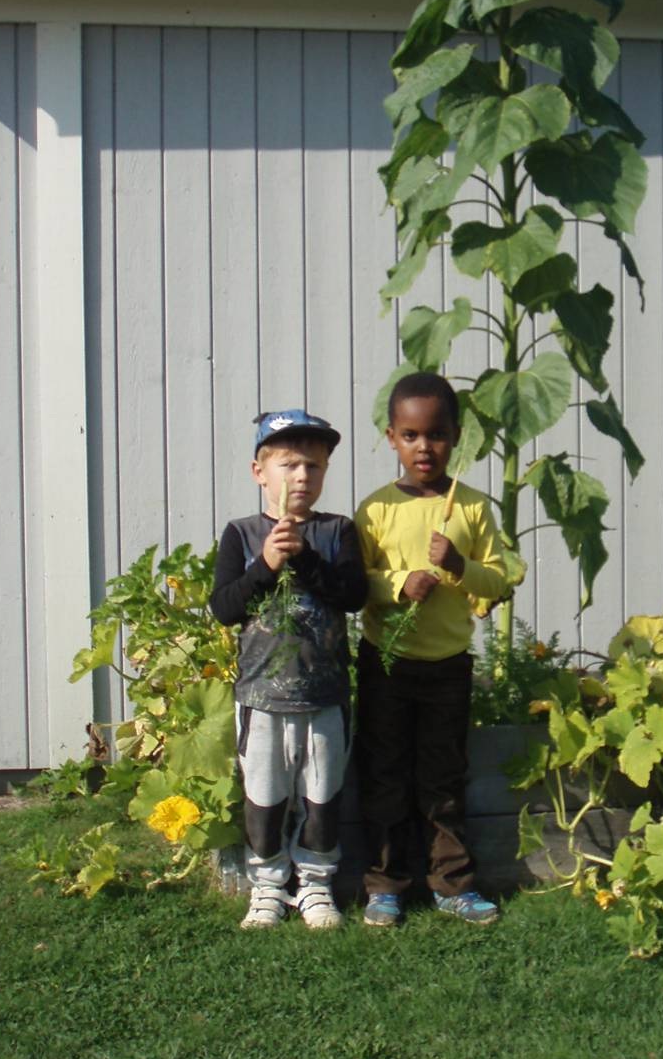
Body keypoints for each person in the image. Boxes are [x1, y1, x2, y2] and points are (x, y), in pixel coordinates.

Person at [355, 372, 510, 926]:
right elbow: (356, 586)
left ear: (457, 437)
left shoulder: (470, 508)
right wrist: (399, 585)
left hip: (448, 668)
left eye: (438, 435)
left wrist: (458, 567)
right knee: (385, 773)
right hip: (386, 664)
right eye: (412, 435)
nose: (425, 448)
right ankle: (384, 885)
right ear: (391, 437)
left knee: (444, 777)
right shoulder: (374, 511)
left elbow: (498, 580)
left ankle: (452, 883)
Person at [210, 409, 366, 931]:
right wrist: (267, 565)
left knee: (322, 794)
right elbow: (225, 607)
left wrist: (302, 559)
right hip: (260, 697)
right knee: (265, 796)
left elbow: (353, 596)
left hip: (324, 694)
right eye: (290, 465)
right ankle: (268, 886)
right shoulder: (241, 534)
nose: (302, 477)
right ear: (260, 472)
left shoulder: (337, 531)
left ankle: (317, 885)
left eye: (315, 467)